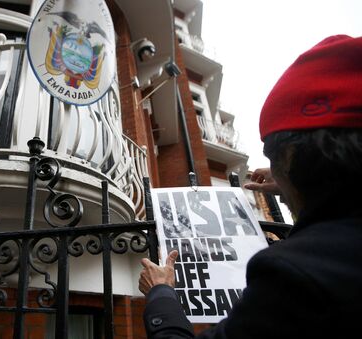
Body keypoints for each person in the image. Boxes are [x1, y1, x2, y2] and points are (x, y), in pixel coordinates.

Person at [139, 35, 362, 338]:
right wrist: (292, 182)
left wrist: (162, 293)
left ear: (292, 156)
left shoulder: (294, 274)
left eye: (274, 155)